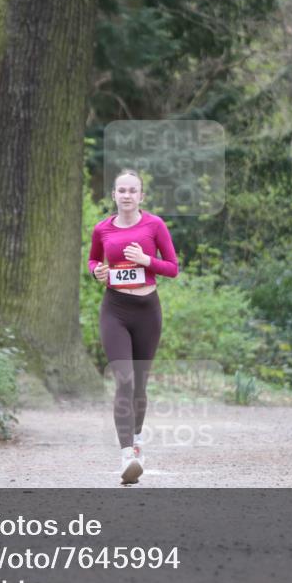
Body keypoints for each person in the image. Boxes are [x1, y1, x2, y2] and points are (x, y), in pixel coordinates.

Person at [88, 169, 179, 485]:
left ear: (141, 196)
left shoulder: (154, 225)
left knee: (139, 384)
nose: (126, 195)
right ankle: (127, 456)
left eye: (132, 190)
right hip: (115, 310)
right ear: (113, 195)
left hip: (147, 311)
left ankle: (137, 440)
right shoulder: (102, 229)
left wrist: (145, 260)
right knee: (124, 380)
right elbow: (93, 261)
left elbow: (172, 268)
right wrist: (97, 272)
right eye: (121, 190)